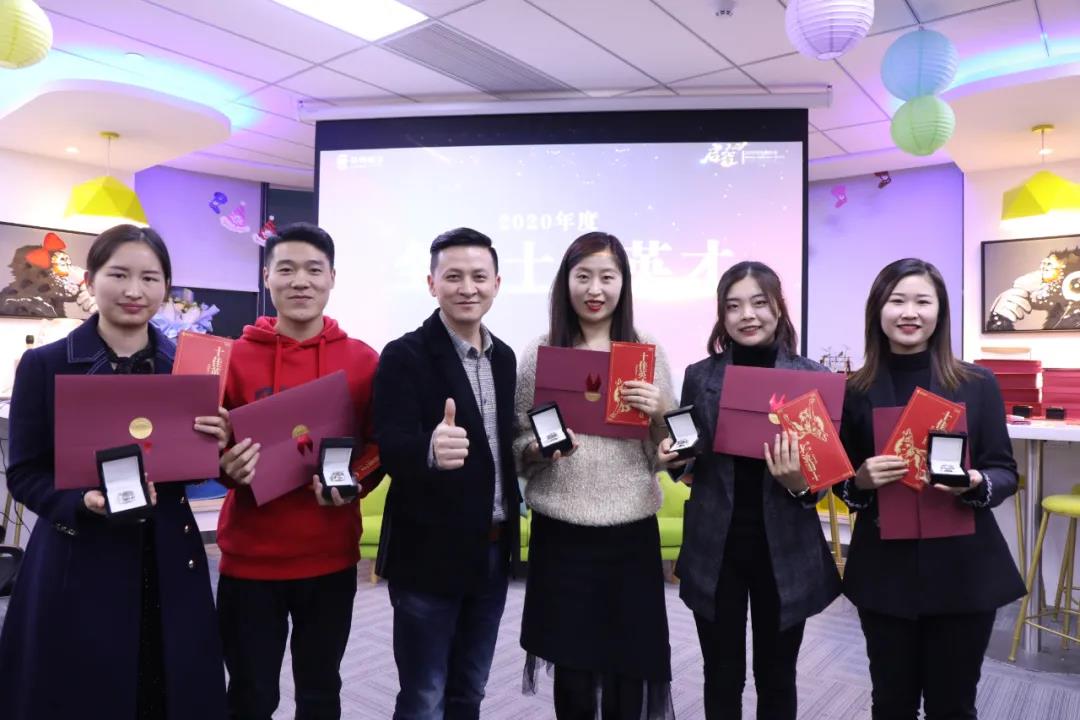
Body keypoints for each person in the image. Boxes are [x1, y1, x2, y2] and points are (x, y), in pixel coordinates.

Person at [0, 224, 228, 719]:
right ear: (90, 278)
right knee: (82, 694)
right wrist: (79, 502)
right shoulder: (45, 365)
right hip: (79, 554)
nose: (134, 290)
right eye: (118, 274)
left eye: (150, 278)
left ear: (165, 287)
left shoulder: (187, 369)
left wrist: (217, 440)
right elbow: (24, 473)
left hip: (167, 555)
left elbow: (196, 468)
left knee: (167, 689)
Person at [835, 258, 1026, 720]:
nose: (909, 312)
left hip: (963, 571)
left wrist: (977, 482)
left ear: (940, 311)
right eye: (896, 301)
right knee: (890, 704)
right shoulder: (853, 390)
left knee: (953, 706)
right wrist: (859, 481)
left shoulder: (976, 384)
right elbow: (843, 483)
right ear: (877, 310)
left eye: (923, 301)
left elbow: (1004, 471)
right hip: (885, 572)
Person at [210, 222, 381, 720]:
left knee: (321, 692)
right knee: (250, 694)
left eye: (313, 270)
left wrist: (353, 482)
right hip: (250, 558)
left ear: (332, 278)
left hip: (329, 557)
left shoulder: (363, 360)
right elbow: (204, 447)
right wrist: (225, 468)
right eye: (286, 269)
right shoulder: (231, 358)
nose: (300, 281)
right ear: (267, 277)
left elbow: (378, 448)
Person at [660, 261, 841, 720]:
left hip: (785, 550)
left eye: (759, 303)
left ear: (779, 308)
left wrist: (800, 484)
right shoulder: (700, 375)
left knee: (777, 675)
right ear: (722, 315)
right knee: (721, 674)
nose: (747, 315)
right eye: (734, 306)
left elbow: (821, 480)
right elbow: (692, 459)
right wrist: (676, 460)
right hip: (715, 547)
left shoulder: (812, 377)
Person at [514, 231, 675, 720]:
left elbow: (666, 449)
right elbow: (518, 444)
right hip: (562, 534)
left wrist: (660, 411)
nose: (595, 289)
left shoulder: (646, 351)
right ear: (565, 282)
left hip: (630, 533)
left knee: (631, 665)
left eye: (607, 276)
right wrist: (538, 450)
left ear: (624, 283)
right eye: (582, 276)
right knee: (574, 671)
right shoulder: (541, 351)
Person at [373, 227, 520, 720]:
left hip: (493, 550)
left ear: (497, 283)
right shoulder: (404, 355)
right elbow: (389, 448)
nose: (467, 288)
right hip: (428, 555)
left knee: (470, 690)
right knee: (424, 696)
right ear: (431, 283)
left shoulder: (505, 358)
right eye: (453, 276)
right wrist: (429, 450)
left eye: (479, 276)